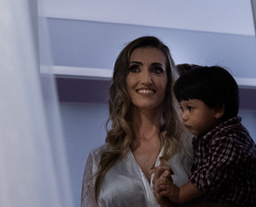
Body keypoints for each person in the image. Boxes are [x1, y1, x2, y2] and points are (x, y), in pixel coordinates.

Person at [80, 37, 193, 207]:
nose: (146, 79)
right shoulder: (99, 160)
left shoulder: (192, 148)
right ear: (123, 81)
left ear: (168, 81)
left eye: (157, 70)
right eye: (135, 69)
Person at [152, 65, 256, 207]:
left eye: (190, 108)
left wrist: (179, 193)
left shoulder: (229, 139)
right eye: (181, 108)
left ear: (217, 110)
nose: (183, 116)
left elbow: (210, 176)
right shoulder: (208, 135)